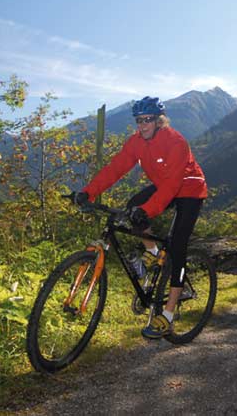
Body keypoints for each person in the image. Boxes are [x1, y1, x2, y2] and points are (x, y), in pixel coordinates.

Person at [74, 96, 207, 339]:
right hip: (165, 185)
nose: (143, 125)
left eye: (148, 120)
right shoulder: (136, 142)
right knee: (133, 206)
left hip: (189, 189)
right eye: (139, 121)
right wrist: (88, 192)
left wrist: (149, 210)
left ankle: (167, 316)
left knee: (178, 246)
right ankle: (155, 255)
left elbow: (172, 185)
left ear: (159, 120)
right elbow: (115, 168)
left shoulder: (176, 142)